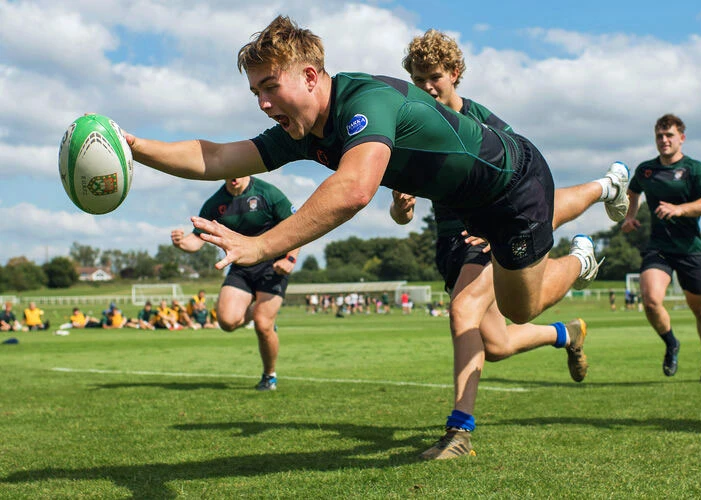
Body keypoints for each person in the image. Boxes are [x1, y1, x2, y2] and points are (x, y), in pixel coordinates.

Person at [123, 15, 616, 329]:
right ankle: (598, 192)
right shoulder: (301, 132)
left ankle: (581, 258)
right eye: (256, 92)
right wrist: (134, 149)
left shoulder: (365, 100)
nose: (263, 102)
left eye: (270, 87)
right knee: (510, 306)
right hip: (469, 205)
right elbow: (215, 158)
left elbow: (356, 189)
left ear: (311, 76)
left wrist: (259, 245)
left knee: (519, 310)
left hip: (514, 182)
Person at [389, 29, 629, 460]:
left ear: (455, 74)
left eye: (435, 77)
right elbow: (401, 216)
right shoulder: (412, 130)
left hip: (482, 235)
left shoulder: (482, 122)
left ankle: (459, 433)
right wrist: (402, 206)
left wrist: (493, 214)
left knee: (463, 309)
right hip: (451, 245)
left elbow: (528, 190)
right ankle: (567, 331)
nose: (427, 87)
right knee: (496, 345)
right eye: (419, 79)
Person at [171, 176, 299, 391]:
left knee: (262, 324)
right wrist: (181, 243)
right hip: (241, 266)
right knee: (227, 322)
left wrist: (290, 259)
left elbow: (296, 226)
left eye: (240, 172)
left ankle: (269, 376)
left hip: (273, 265)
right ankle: (259, 309)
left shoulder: (268, 193)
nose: (235, 177)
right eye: (230, 173)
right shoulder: (215, 203)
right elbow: (197, 239)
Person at [621, 114, 701, 383]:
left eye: (669, 135)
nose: (664, 140)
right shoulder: (646, 170)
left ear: (682, 138)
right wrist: (631, 216)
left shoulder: (695, 169)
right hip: (659, 248)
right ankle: (671, 343)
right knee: (651, 300)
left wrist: (680, 209)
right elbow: (633, 191)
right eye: (659, 136)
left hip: (690, 249)